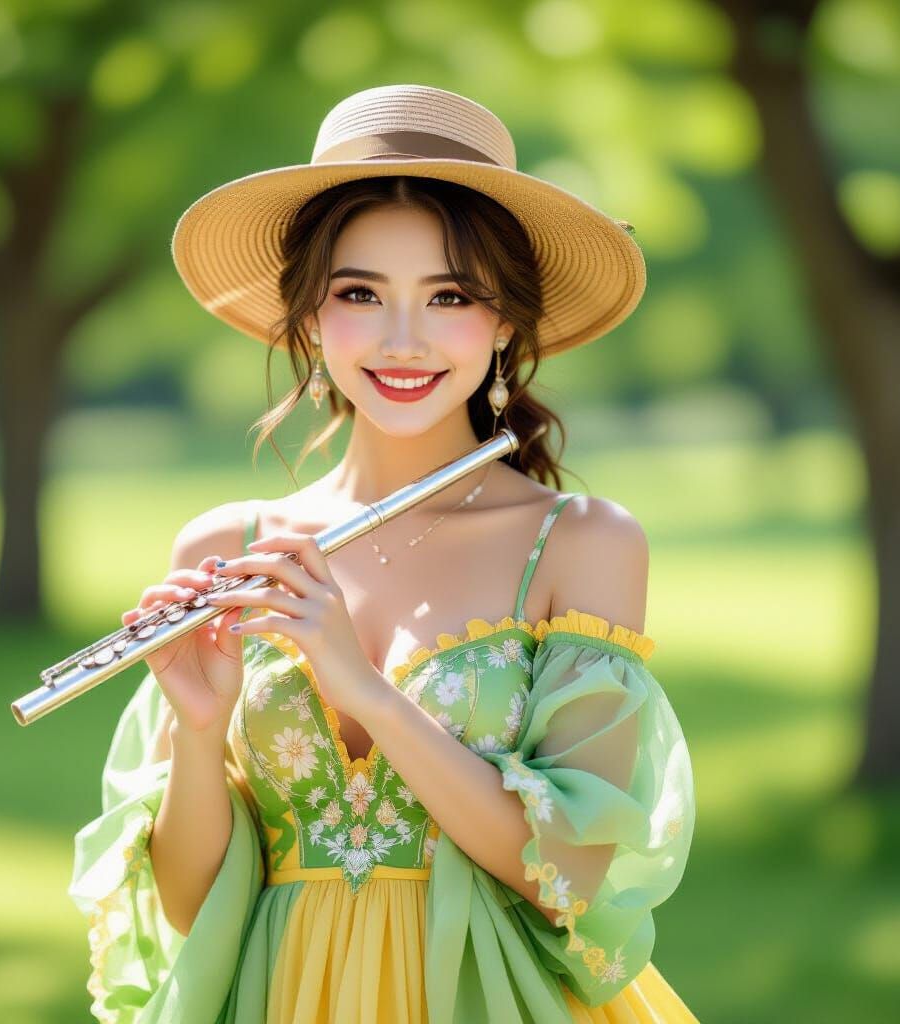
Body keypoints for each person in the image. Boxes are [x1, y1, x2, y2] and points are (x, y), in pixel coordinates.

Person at [68, 84, 699, 1023]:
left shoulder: (581, 542)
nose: (404, 340)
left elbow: (564, 876)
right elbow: (193, 910)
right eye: (360, 293)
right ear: (309, 318)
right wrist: (200, 729)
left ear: (505, 324)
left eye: (450, 296)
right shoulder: (228, 547)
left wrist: (362, 687)